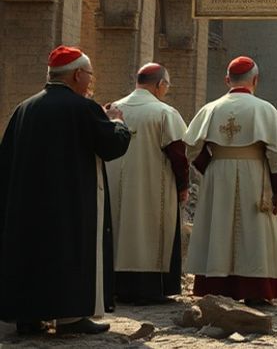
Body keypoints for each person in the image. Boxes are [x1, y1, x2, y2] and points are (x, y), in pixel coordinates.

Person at [0, 46, 131, 335]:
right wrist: (117, 121)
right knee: (69, 252)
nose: (90, 81)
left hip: (26, 202)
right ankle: (71, 317)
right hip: (69, 200)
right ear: (77, 75)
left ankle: (29, 317)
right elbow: (112, 145)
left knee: (31, 253)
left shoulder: (25, 107)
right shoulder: (82, 107)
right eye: (90, 74)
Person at [183, 56, 277, 304]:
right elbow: (275, 153)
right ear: (255, 80)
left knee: (218, 228)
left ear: (226, 80)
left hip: (217, 174)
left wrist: (211, 167)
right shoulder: (264, 109)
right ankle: (255, 291)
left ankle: (216, 287)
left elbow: (191, 149)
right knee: (254, 231)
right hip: (255, 173)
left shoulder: (210, 109)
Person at [105, 63, 189, 305]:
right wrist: (183, 186)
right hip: (153, 188)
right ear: (160, 85)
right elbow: (178, 154)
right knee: (150, 233)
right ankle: (151, 289)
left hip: (115, 187)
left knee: (119, 231)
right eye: (167, 86)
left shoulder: (112, 109)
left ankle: (115, 286)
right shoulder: (164, 113)